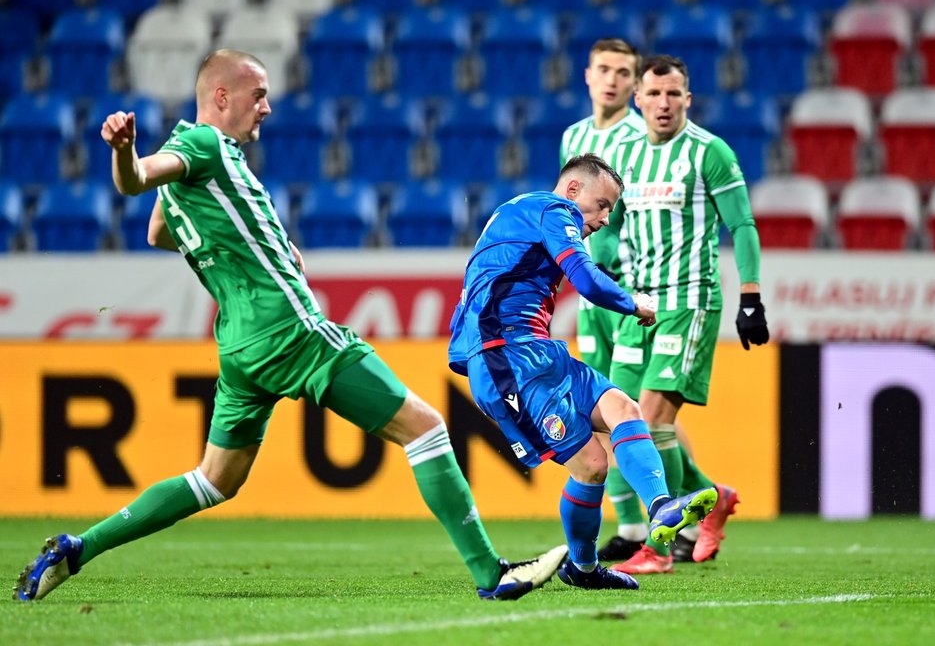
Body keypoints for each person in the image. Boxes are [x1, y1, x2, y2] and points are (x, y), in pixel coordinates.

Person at [13, 49, 567, 603]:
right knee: (424, 428)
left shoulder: (205, 171)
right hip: (291, 331)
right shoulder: (202, 144)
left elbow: (160, 228)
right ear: (222, 97)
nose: (268, 108)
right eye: (259, 96)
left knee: (214, 480)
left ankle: (77, 548)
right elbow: (136, 181)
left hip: (239, 346)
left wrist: (264, 245)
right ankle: (489, 573)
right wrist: (125, 151)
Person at [448, 152, 718, 591]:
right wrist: (636, 303)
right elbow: (587, 282)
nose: (606, 219)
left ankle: (662, 507)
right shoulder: (555, 209)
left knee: (625, 410)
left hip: (538, 353)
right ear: (574, 190)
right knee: (592, 465)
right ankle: (584, 567)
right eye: (603, 204)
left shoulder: (520, 210)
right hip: (507, 360)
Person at [607, 55, 769, 575]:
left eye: (674, 94)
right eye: (654, 95)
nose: (663, 104)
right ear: (638, 99)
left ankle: (658, 548)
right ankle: (712, 498)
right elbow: (610, 226)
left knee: (652, 420)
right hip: (637, 302)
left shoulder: (708, 152)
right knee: (623, 423)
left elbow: (742, 225)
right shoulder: (625, 156)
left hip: (688, 300)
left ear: (688, 99)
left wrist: (750, 296)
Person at [559, 39, 713, 565]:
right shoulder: (574, 139)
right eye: (604, 69)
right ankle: (637, 520)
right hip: (588, 292)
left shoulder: (640, 137)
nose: (613, 81)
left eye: (624, 73)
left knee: (639, 409)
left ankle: (674, 515)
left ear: (636, 86)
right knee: (609, 409)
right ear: (587, 75)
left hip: (628, 290)